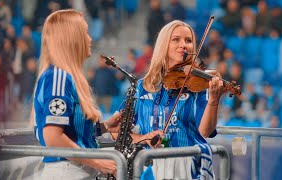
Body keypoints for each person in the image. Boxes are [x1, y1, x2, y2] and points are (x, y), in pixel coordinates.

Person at [31, 9, 121, 179]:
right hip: (67, 171)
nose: (90, 38)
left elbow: (73, 132)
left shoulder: (65, 77)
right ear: (72, 37)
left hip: (75, 170)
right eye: (85, 32)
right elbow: (53, 137)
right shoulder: (57, 76)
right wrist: (98, 162)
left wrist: (106, 125)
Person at [130, 20, 226, 179]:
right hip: (151, 167)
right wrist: (141, 138)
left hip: (187, 166)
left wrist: (214, 100)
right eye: (176, 39)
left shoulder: (197, 86)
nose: (184, 45)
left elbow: (204, 131)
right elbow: (119, 129)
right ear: (163, 45)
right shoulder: (142, 86)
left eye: (188, 41)